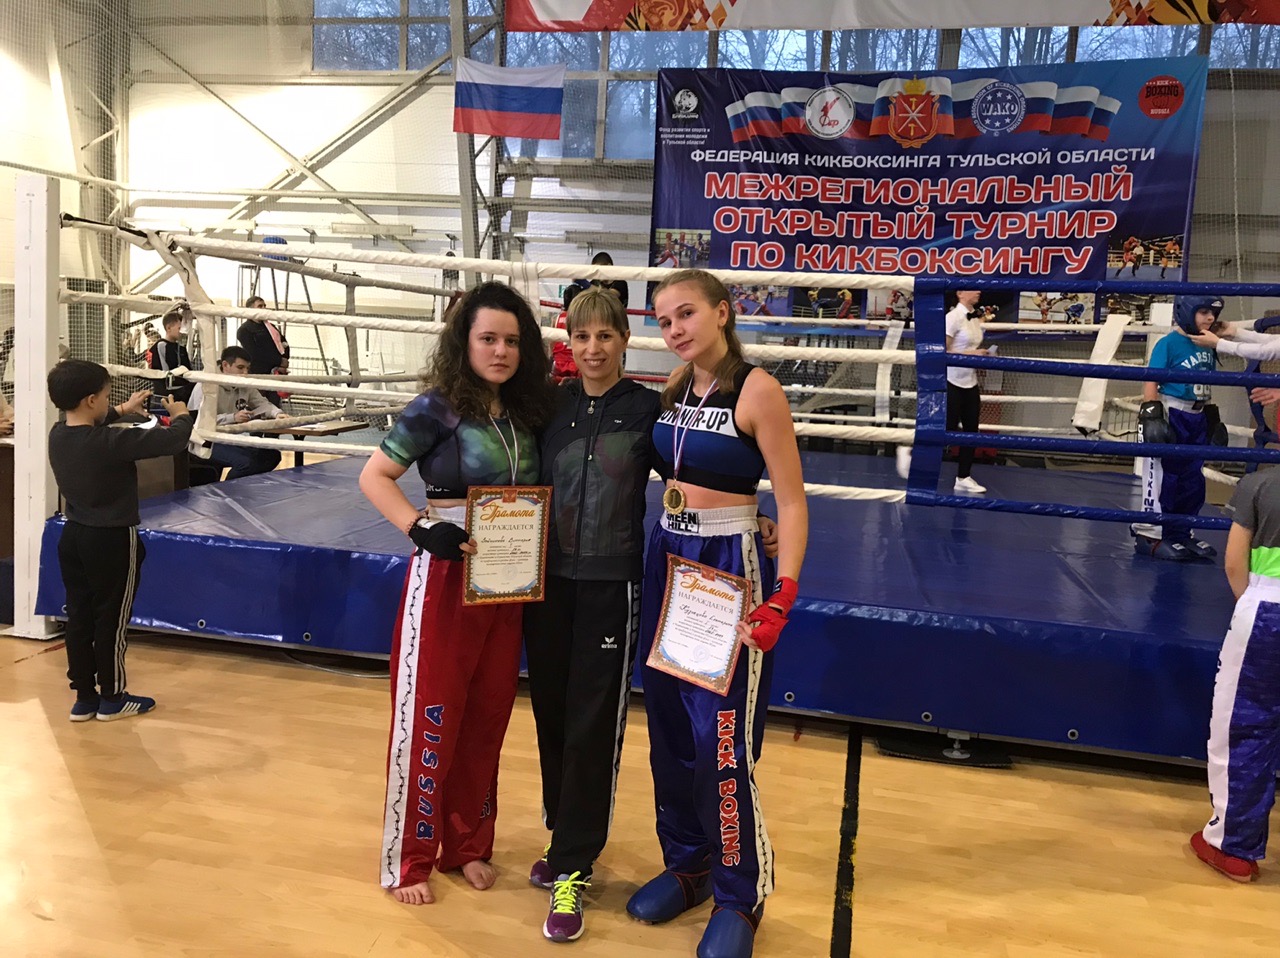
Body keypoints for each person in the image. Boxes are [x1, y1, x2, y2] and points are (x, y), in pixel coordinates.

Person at [627, 269, 807, 958]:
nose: (674, 329)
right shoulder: (676, 387)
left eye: (686, 313)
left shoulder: (757, 389)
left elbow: (791, 499)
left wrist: (784, 591)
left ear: (723, 313)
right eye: (664, 319)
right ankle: (688, 863)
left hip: (727, 565)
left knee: (720, 737)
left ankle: (740, 894)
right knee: (669, 726)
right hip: (669, 556)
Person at [358, 282, 554, 906]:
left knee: (487, 715)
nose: (500, 351)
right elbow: (375, 475)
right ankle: (409, 859)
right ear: (463, 342)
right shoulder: (436, 409)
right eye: (488, 338)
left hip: (509, 579)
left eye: (512, 341)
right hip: (447, 575)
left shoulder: (526, 410)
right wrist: (419, 526)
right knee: (431, 714)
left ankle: (466, 844)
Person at [523, 286, 661, 942]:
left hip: (611, 586)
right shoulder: (551, 406)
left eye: (605, 335)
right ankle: (562, 836)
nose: (593, 348)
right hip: (547, 582)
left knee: (592, 723)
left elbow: (693, 472)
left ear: (624, 339)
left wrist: (751, 515)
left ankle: (575, 865)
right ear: (568, 342)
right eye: (582, 337)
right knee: (552, 713)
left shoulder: (647, 409)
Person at [46, 360, 193, 721]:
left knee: (79, 617)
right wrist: (181, 414)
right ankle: (112, 697)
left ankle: (84, 698)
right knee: (111, 618)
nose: (109, 403)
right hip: (111, 539)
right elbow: (174, 440)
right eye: (107, 397)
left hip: (73, 536)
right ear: (91, 400)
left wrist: (124, 409)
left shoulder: (58, 434)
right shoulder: (111, 442)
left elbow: (92, 423)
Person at [1190, 465, 1280, 882]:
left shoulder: (1262, 483)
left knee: (1246, 727)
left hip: (1267, 611)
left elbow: (1233, 562)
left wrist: (1251, 605)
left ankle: (1233, 847)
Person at [1131, 296, 1226, 561]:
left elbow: (1205, 382)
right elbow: (1151, 379)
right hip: (1172, 411)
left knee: (1192, 479)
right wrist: (1151, 415)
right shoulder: (1168, 343)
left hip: (1197, 415)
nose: (1210, 318)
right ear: (1186, 312)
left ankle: (1181, 532)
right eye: (1203, 312)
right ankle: (1150, 535)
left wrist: (1212, 417)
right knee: (1164, 476)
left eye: (1213, 313)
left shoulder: (1207, 343)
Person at [188, 346, 287, 480]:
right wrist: (233, 417)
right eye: (240, 368)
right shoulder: (205, 386)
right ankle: (226, 492)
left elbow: (262, 403)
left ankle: (240, 488)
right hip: (203, 441)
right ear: (225, 365)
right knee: (245, 463)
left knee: (271, 455)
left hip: (228, 439)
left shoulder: (243, 385)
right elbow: (200, 420)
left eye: (247, 368)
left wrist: (277, 413)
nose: (245, 373)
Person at [946, 290, 990, 494]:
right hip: (951, 379)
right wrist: (972, 354)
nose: (978, 291)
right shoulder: (952, 317)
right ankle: (911, 452)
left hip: (970, 381)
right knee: (947, 428)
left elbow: (972, 346)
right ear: (960, 293)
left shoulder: (975, 318)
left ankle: (963, 477)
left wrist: (983, 355)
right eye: (973, 288)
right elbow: (944, 351)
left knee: (971, 430)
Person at [236, 295, 289, 406]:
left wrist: (284, 359)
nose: (264, 308)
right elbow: (254, 353)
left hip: (274, 375)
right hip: (258, 375)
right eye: (260, 306)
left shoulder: (271, 327)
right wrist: (279, 361)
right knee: (259, 406)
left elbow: (284, 343)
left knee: (274, 406)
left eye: (264, 306)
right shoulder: (244, 330)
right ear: (251, 309)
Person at [147, 308, 193, 404]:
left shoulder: (181, 348)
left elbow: (188, 369)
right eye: (179, 328)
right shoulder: (161, 346)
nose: (181, 332)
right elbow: (164, 375)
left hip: (181, 390)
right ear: (168, 328)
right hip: (167, 393)